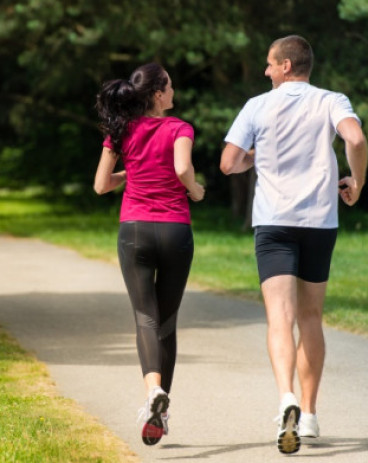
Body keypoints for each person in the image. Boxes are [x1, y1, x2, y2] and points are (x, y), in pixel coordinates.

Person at [219, 35, 368, 454]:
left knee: (279, 318)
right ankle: (311, 413)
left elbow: (228, 162)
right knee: (311, 318)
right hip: (319, 222)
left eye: (269, 64)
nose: (265, 71)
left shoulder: (257, 106)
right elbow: (355, 140)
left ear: (286, 66)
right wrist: (358, 181)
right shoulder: (330, 100)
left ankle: (286, 397)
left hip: (274, 224)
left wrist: (256, 157)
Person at [93, 62, 205, 446]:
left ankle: (153, 392)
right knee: (167, 322)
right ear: (157, 93)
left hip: (135, 232)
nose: (173, 92)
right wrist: (195, 189)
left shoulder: (120, 132)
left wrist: (132, 174)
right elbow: (181, 167)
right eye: (169, 87)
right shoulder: (180, 128)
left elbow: (100, 185)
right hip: (175, 231)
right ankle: (161, 407)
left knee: (145, 317)